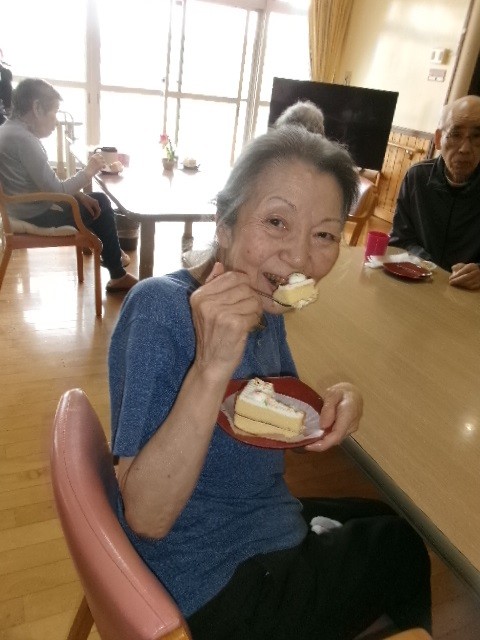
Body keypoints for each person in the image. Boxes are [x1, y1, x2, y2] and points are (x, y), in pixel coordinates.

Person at [109, 125, 432, 640]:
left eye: (324, 234)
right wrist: (210, 367)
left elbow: (276, 419)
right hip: (207, 587)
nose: (300, 258)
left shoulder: (263, 303)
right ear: (225, 223)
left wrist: (334, 405)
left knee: (379, 516)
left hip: (254, 515)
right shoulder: (159, 310)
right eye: (277, 222)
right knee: (403, 547)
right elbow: (146, 518)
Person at [0, 78, 137, 293]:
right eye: (54, 112)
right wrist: (88, 171)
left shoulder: (8, 131)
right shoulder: (25, 140)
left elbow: (42, 182)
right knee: (101, 204)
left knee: (92, 201)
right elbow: (57, 191)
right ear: (37, 108)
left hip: (19, 209)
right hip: (35, 214)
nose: (56, 121)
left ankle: (111, 254)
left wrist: (79, 195)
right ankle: (116, 269)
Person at [389, 94, 480, 290]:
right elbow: (400, 239)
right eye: (455, 134)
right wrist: (429, 265)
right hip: (417, 282)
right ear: (438, 139)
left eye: (477, 137)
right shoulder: (417, 177)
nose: (465, 148)